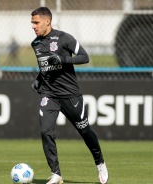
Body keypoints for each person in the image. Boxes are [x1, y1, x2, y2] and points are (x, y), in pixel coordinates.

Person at [30, 7, 108, 184]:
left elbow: (84, 57)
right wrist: (38, 79)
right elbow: (44, 68)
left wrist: (63, 59)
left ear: (47, 21)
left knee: (85, 131)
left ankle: (100, 162)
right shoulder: (35, 44)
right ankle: (56, 173)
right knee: (45, 131)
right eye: (32, 23)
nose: (33, 26)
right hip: (49, 94)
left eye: (36, 22)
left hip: (70, 94)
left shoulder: (64, 38)